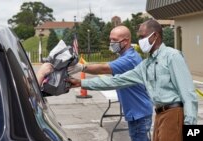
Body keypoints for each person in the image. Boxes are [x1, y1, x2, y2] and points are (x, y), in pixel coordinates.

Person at [68, 19, 198, 141]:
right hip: (159, 114)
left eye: (143, 36)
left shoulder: (172, 56)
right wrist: (81, 83)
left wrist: (191, 129)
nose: (140, 41)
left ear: (155, 36)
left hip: (174, 113)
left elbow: (188, 93)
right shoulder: (146, 64)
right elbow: (116, 81)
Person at [69, 25, 153, 141]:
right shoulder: (126, 56)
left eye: (114, 40)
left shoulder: (129, 59)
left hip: (138, 112)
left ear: (126, 41)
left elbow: (104, 69)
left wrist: (82, 68)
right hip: (138, 111)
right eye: (110, 39)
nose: (111, 43)